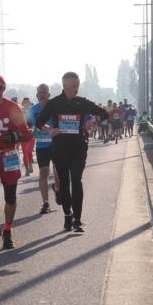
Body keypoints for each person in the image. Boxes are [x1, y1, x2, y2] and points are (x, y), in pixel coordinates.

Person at [34, 72, 109, 233]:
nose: (76, 89)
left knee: (77, 181)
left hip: (78, 148)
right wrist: (50, 130)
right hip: (60, 149)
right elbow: (39, 122)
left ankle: (78, 220)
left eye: (77, 86)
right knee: (65, 184)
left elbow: (103, 113)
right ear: (64, 86)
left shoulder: (82, 103)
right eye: (73, 86)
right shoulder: (54, 103)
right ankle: (67, 215)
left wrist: (92, 122)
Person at [0, 74, 29, 250]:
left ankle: (7, 230)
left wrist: (16, 135)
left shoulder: (13, 107)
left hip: (8, 154)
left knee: (10, 195)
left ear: (4, 89)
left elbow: (26, 133)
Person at [26, 83, 60, 214]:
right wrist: (29, 130)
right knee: (44, 172)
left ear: (49, 94)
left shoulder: (56, 108)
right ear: (36, 95)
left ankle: (57, 189)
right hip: (42, 145)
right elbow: (32, 125)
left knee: (58, 172)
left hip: (57, 144)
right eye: (40, 92)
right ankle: (45, 203)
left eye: (45, 92)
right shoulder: (33, 110)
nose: (42, 94)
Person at [19, 96, 35, 176]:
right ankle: (27, 168)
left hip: (31, 135)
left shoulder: (32, 111)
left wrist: (32, 128)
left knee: (29, 152)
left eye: (28, 103)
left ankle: (30, 165)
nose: (26, 104)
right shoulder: (19, 111)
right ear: (23, 103)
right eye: (25, 103)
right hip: (23, 135)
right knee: (25, 152)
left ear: (29, 103)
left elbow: (35, 122)